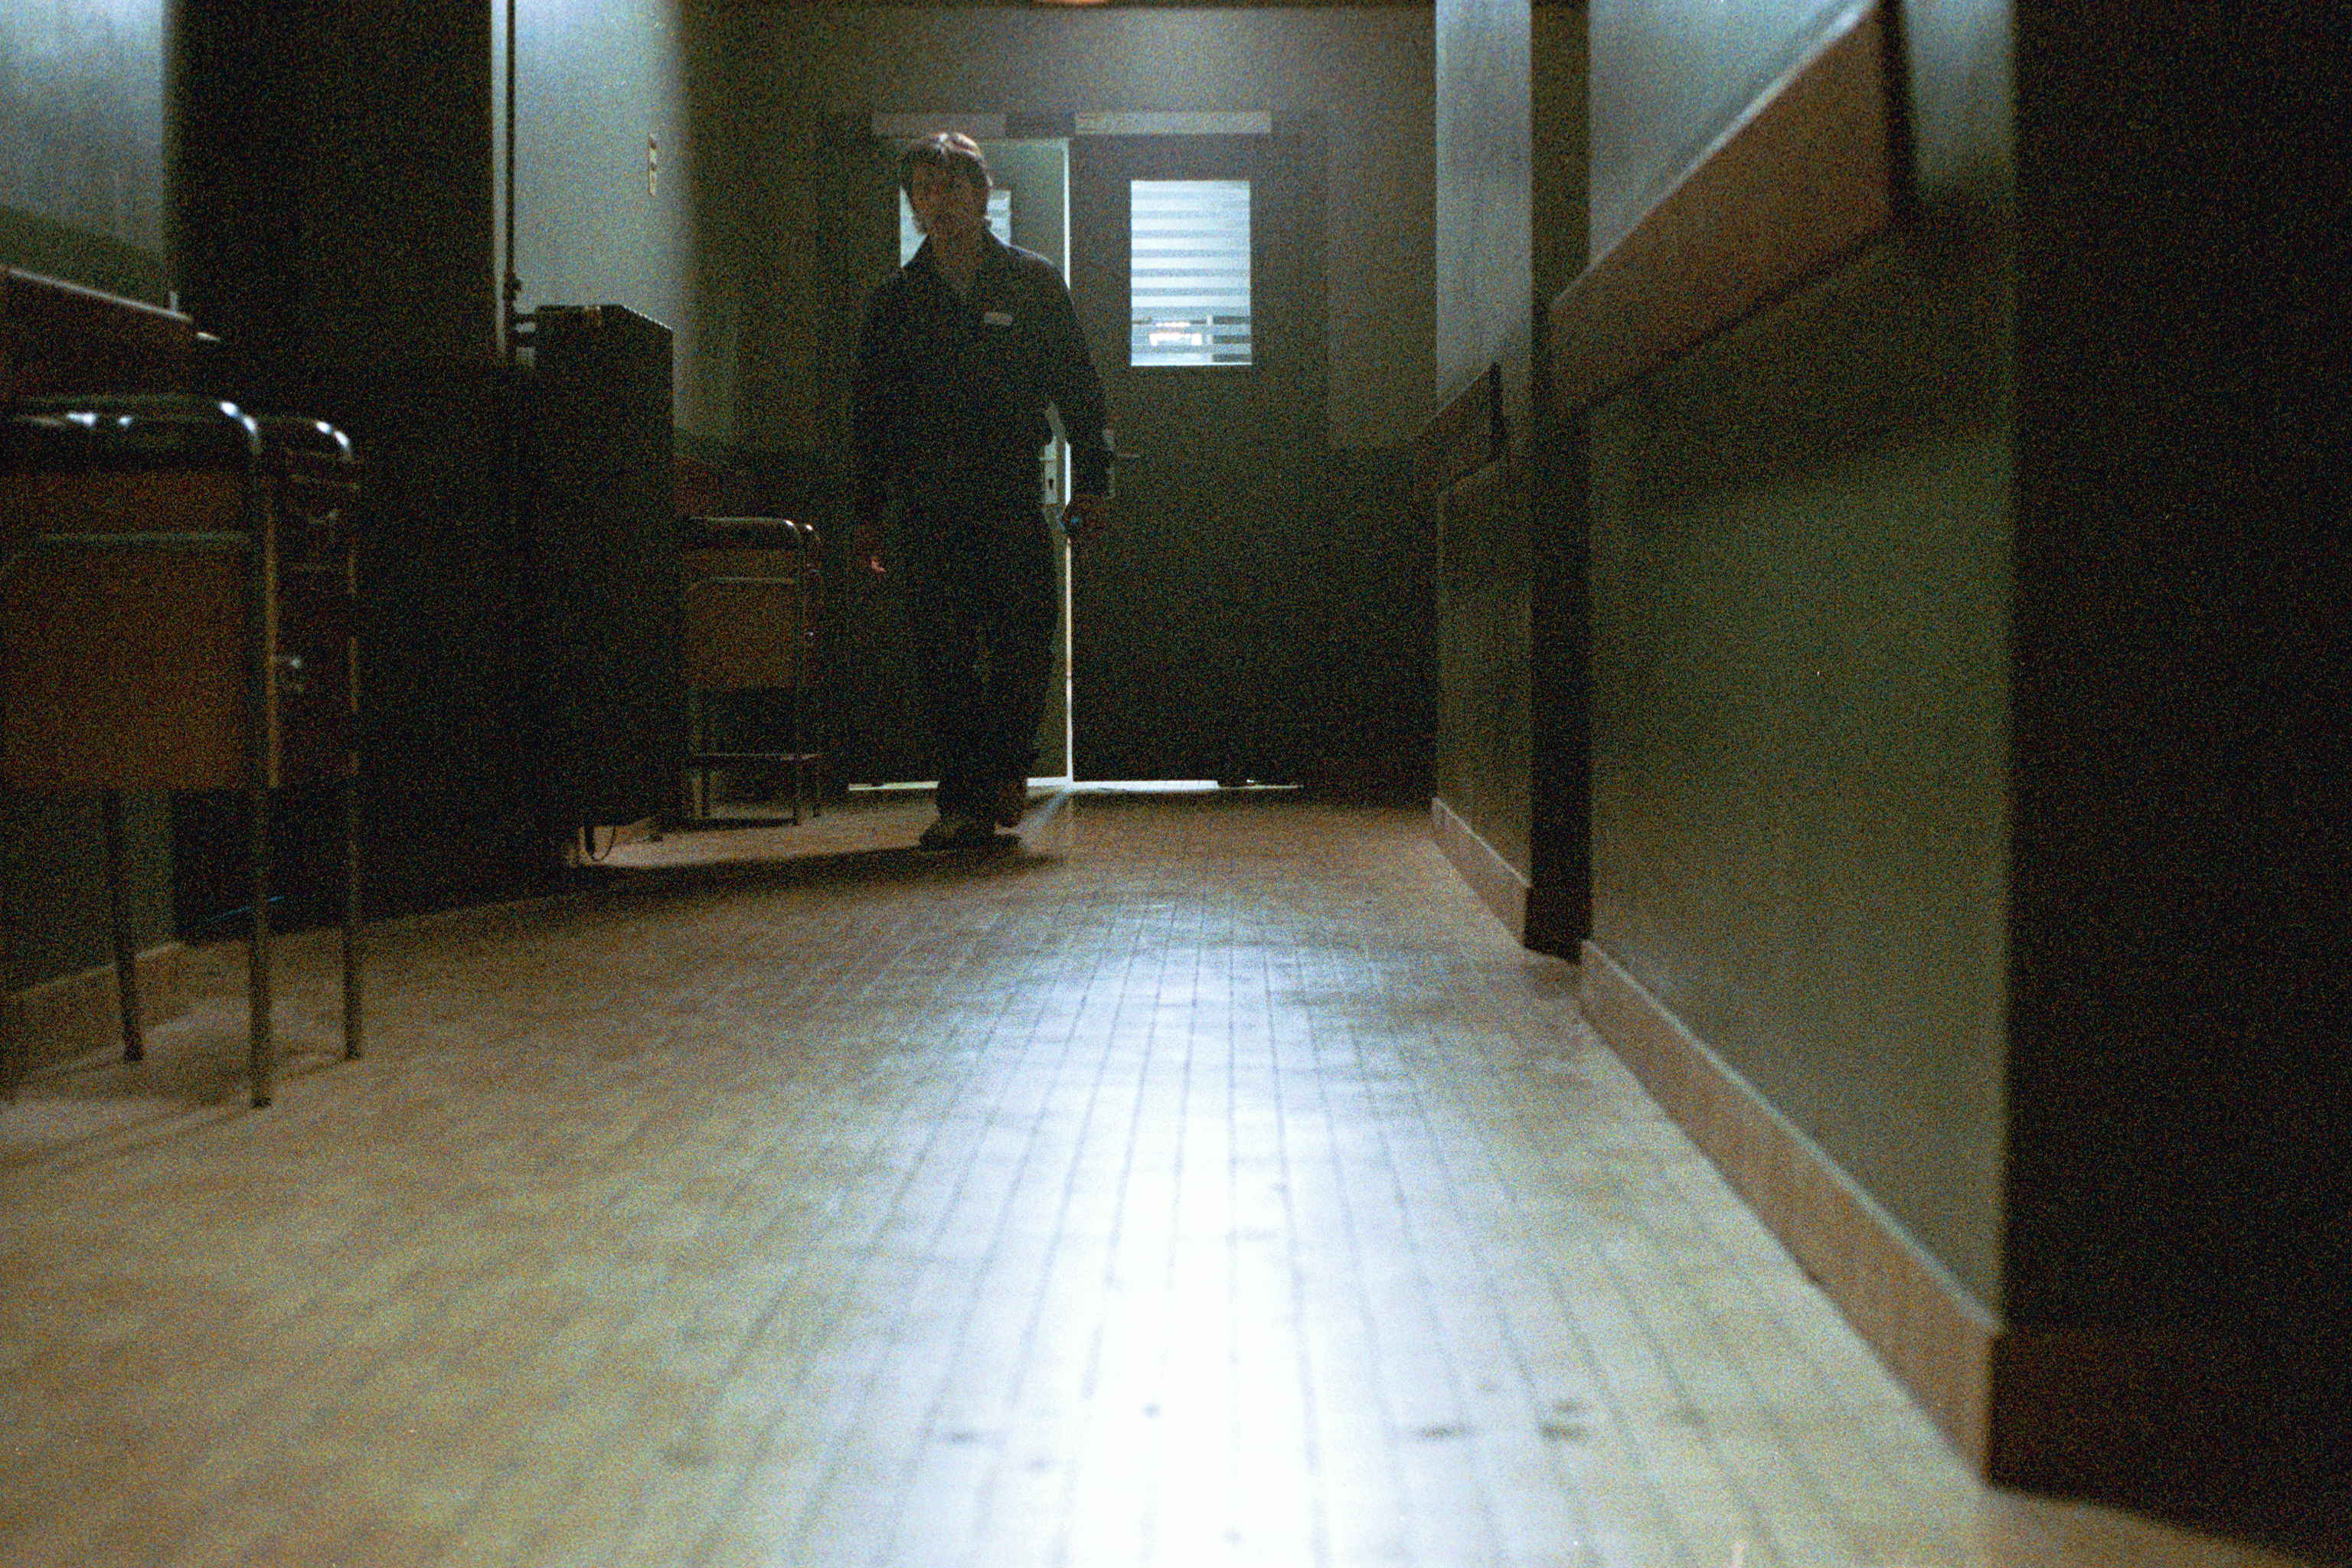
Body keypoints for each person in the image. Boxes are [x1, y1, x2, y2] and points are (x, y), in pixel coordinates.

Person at [849, 132, 1114, 851]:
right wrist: (867, 513)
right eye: (925, 189)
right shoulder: (896, 303)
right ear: (913, 202)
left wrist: (1093, 482)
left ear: (981, 194)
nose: (940, 202)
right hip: (927, 504)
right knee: (943, 655)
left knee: (1024, 640)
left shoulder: (1032, 283)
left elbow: (1079, 388)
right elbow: (871, 415)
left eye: (953, 187)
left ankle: (1006, 767)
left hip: (1007, 494)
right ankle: (963, 798)